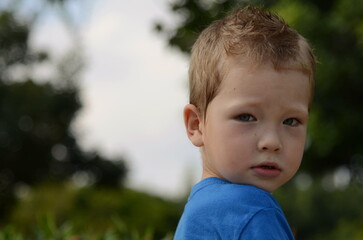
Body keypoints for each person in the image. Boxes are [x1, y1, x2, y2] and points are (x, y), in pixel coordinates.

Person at [174, 5, 316, 240]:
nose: (272, 142)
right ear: (196, 124)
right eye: (246, 117)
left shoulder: (199, 212)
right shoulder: (251, 209)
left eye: (291, 121)